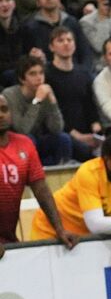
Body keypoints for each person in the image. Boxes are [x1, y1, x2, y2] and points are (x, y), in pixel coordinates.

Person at [29, 130, 111, 245]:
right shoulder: (89, 173)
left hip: (84, 237)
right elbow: (95, 224)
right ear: (105, 159)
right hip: (50, 231)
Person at [0, 93, 77, 257]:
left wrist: (59, 229)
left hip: (8, 241)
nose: (1, 114)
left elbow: (41, 190)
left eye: (4, 109)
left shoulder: (24, 144)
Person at [3, 55, 71, 166]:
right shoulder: (10, 95)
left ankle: (60, 175)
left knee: (63, 139)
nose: (39, 78)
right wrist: (37, 101)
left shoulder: (44, 92)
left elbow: (56, 128)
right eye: (32, 74)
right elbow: (22, 130)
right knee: (28, 139)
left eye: (41, 73)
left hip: (37, 140)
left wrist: (53, 102)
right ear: (22, 79)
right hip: (14, 143)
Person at [47, 27, 103, 162]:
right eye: (60, 40)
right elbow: (51, 112)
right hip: (62, 132)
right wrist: (76, 135)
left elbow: (90, 104)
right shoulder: (46, 74)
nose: (66, 43)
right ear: (51, 47)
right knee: (82, 150)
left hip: (87, 131)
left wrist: (96, 127)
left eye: (69, 40)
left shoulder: (83, 73)